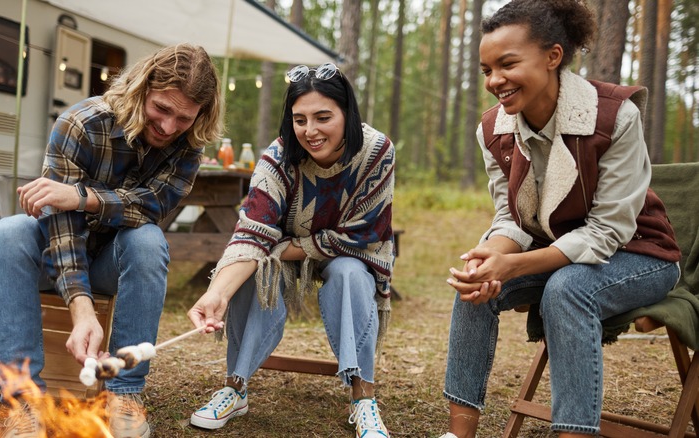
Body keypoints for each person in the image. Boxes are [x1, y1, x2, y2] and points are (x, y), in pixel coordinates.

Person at [440, 1, 682, 437]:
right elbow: (511, 216)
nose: (495, 81)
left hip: (641, 255)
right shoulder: (493, 129)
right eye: (486, 70)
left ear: (553, 57)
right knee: (476, 285)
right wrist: (491, 256)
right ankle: (459, 432)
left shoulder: (615, 117)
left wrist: (516, 264)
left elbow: (608, 231)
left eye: (507, 64)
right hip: (556, 254)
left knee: (567, 290)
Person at [0, 43, 221, 438]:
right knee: (9, 232)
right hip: (54, 257)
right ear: (142, 88)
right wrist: (81, 309)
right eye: (161, 109)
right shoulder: (81, 123)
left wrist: (83, 197)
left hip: (114, 263)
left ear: (200, 114)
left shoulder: (189, 145)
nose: (167, 127)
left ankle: (124, 394)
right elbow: (61, 224)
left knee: (147, 240)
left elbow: (152, 207)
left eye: (182, 117)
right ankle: (24, 400)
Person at [186, 62, 395, 438]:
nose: (310, 131)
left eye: (323, 117)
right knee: (254, 268)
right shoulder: (277, 157)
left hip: (346, 253)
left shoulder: (376, 152)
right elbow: (252, 232)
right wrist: (217, 293)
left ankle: (363, 396)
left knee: (349, 274)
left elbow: (362, 233)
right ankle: (235, 388)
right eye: (300, 119)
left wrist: (287, 249)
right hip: (280, 249)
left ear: (347, 113)